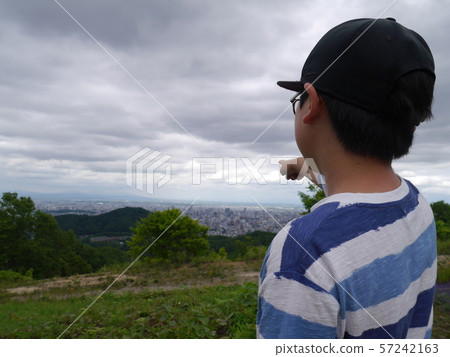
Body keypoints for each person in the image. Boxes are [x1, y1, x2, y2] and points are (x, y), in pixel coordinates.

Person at [257, 18, 437, 339]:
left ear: (311, 104)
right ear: (410, 124)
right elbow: (342, 186)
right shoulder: (415, 204)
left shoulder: (304, 253)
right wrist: (299, 167)